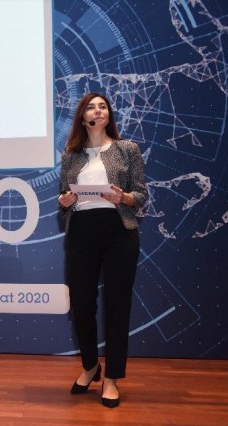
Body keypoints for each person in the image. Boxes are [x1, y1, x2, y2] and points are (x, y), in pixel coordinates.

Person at [58, 92, 148, 408]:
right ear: (83, 118)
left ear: (108, 114)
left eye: (103, 106)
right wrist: (65, 201)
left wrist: (124, 197)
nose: (98, 111)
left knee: (117, 306)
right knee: (82, 304)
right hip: (82, 232)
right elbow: (64, 198)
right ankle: (90, 366)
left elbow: (141, 194)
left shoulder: (127, 149)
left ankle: (112, 378)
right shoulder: (70, 156)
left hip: (118, 231)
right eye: (91, 107)